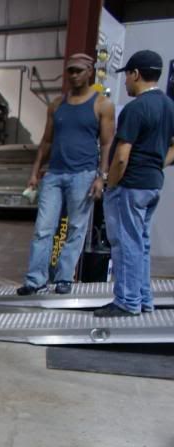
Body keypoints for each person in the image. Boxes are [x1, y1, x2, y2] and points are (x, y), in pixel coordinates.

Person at [17, 53, 115, 296]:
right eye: (70, 70)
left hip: (83, 174)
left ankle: (64, 277)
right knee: (43, 228)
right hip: (54, 174)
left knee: (76, 228)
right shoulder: (56, 104)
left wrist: (101, 176)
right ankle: (36, 279)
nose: (73, 75)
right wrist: (34, 172)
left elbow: (106, 143)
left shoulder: (102, 104)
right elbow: (46, 140)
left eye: (78, 70)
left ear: (90, 72)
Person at [95, 50, 174, 317]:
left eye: (127, 75)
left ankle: (127, 302)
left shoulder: (135, 108)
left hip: (130, 185)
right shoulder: (169, 106)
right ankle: (143, 299)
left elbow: (121, 156)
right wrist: (155, 164)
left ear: (136, 74)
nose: (126, 82)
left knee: (126, 243)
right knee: (141, 243)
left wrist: (110, 184)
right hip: (153, 184)